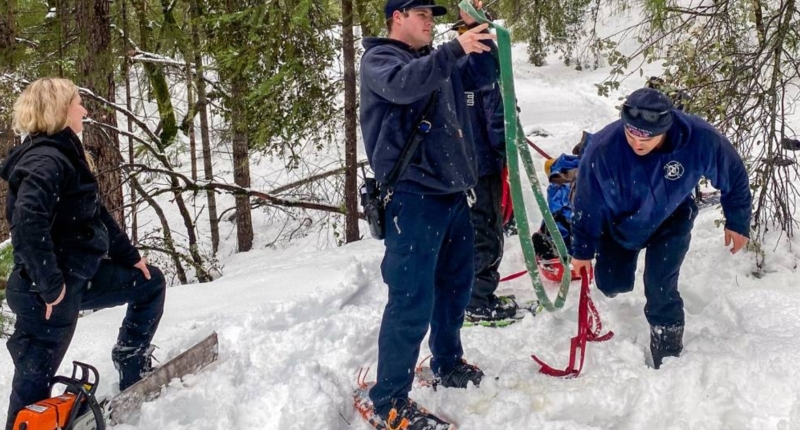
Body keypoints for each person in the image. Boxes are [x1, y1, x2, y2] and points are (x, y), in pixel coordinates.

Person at [358, 0, 498, 426]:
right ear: (397, 17)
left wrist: (480, 33)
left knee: (455, 287)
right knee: (411, 300)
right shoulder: (380, 59)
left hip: (453, 194)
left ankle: (447, 362)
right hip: (413, 198)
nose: (429, 22)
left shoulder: (434, 61)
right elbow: (404, 86)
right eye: (421, 14)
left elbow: (485, 75)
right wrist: (454, 49)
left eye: (433, 16)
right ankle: (388, 401)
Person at [2, 78, 166, 428]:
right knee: (31, 394)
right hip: (44, 294)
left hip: (78, 277)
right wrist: (50, 286)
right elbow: (28, 223)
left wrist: (129, 256)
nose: (85, 110)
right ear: (61, 110)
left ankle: (131, 361)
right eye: (78, 102)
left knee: (149, 283)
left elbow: (96, 211)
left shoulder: (64, 153)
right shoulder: (46, 160)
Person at [570, 88, 751, 369]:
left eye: (646, 137)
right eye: (631, 134)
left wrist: (737, 222)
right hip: (620, 225)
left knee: (660, 285)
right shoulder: (603, 149)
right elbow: (587, 203)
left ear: (665, 128)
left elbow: (734, 175)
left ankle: (667, 345)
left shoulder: (700, 139)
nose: (637, 143)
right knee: (611, 284)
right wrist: (582, 250)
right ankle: (616, 277)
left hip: (671, 220)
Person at [449, 20, 515, 322]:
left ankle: (469, 293)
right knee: (485, 230)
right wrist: (507, 153)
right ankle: (476, 300)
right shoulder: (480, 73)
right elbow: (495, 118)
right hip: (480, 165)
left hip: (462, 165)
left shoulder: (454, 69)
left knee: (472, 229)